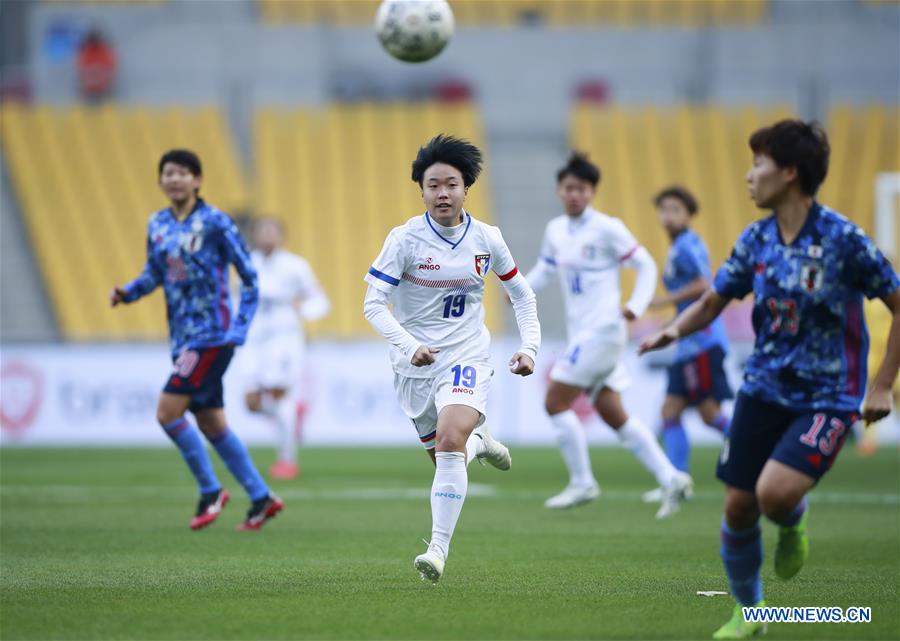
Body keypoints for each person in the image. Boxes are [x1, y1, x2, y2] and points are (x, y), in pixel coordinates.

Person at [639, 120, 899, 639]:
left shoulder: (844, 240)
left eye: (758, 164)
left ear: (789, 173)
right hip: (762, 387)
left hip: (828, 396)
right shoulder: (756, 238)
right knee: (738, 505)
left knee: (775, 495)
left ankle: (793, 518)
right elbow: (714, 299)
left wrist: (883, 383)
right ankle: (749, 613)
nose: (748, 175)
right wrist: (672, 331)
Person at [363, 134, 540, 583]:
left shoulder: (487, 238)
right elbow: (371, 305)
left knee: (448, 440)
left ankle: (437, 551)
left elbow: (521, 294)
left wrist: (529, 346)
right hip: (413, 368)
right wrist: (409, 346)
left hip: (466, 355)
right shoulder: (403, 240)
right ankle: (482, 442)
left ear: (467, 188)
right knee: (450, 454)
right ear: (420, 190)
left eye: (451, 184)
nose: (443, 193)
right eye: (433, 185)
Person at [111, 149, 283, 531]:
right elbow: (155, 274)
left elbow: (250, 277)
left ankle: (210, 489)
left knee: (167, 412)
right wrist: (128, 293)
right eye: (168, 173)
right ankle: (261, 497)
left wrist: (239, 327)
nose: (174, 179)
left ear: (197, 180)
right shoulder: (157, 224)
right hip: (183, 337)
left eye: (183, 173)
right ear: (160, 181)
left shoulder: (215, 222)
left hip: (212, 336)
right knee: (210, 423)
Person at [524, 152, 692, 518]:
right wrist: (516, 289)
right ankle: (671, 477)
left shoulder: (608, 228)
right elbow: (545, 271)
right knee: (615, 415)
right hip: (583, 334)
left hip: (604, 331)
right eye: (569, 188)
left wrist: (636, 303)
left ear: (593, 192)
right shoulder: (555, 231)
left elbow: (645, 263)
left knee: (554, 401)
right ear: (559, 190)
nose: (574, 195)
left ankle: (582, 482)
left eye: (581, 189)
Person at [642, 186, 733, 500]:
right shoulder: (678, 246)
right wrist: (667, 327)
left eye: (675, 210)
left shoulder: (687, 246)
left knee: (708, 415)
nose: (668, 216)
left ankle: (755, 445)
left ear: (688, 214)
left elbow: (704, 284)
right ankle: (675, 482)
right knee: (670, 411)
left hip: (703, 343)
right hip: (688, 342)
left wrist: (662, 301)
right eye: (664, 209)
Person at [242, 217, 330, 480]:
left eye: (272, 231)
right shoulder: (245, 263)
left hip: (284, 341)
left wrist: (300, 308)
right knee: (252, 403)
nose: (267, 235)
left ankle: (287, 460)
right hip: (253, 341)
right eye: (262, 230)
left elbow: (320, 301)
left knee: (280, 397)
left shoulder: (295, 266)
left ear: (281, 236)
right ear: (255, 235)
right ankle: (291, 417)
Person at [76, 28, 116, 102]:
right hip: (88, 90)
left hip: (104, 89)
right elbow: (81, 70)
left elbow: (110, 68)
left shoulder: (105, 52)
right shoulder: (85, 52)